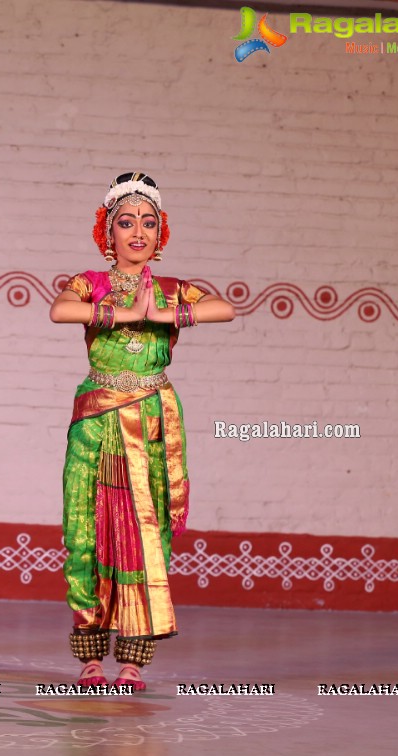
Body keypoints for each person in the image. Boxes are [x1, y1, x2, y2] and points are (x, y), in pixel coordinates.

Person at [48, 172, 234, 690]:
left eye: (148, 223)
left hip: (151, 422)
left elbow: (227, 307)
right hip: (98, 423)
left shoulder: (172, 288)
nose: (137, 232)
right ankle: (90, 656)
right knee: (88, 530)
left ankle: (133, 659)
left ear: (161, 233)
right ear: (107, 233)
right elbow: (60, 309)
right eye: (125, 222)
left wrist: (170, 313)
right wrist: (124, 311)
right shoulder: (92, 282)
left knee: (145, 532)